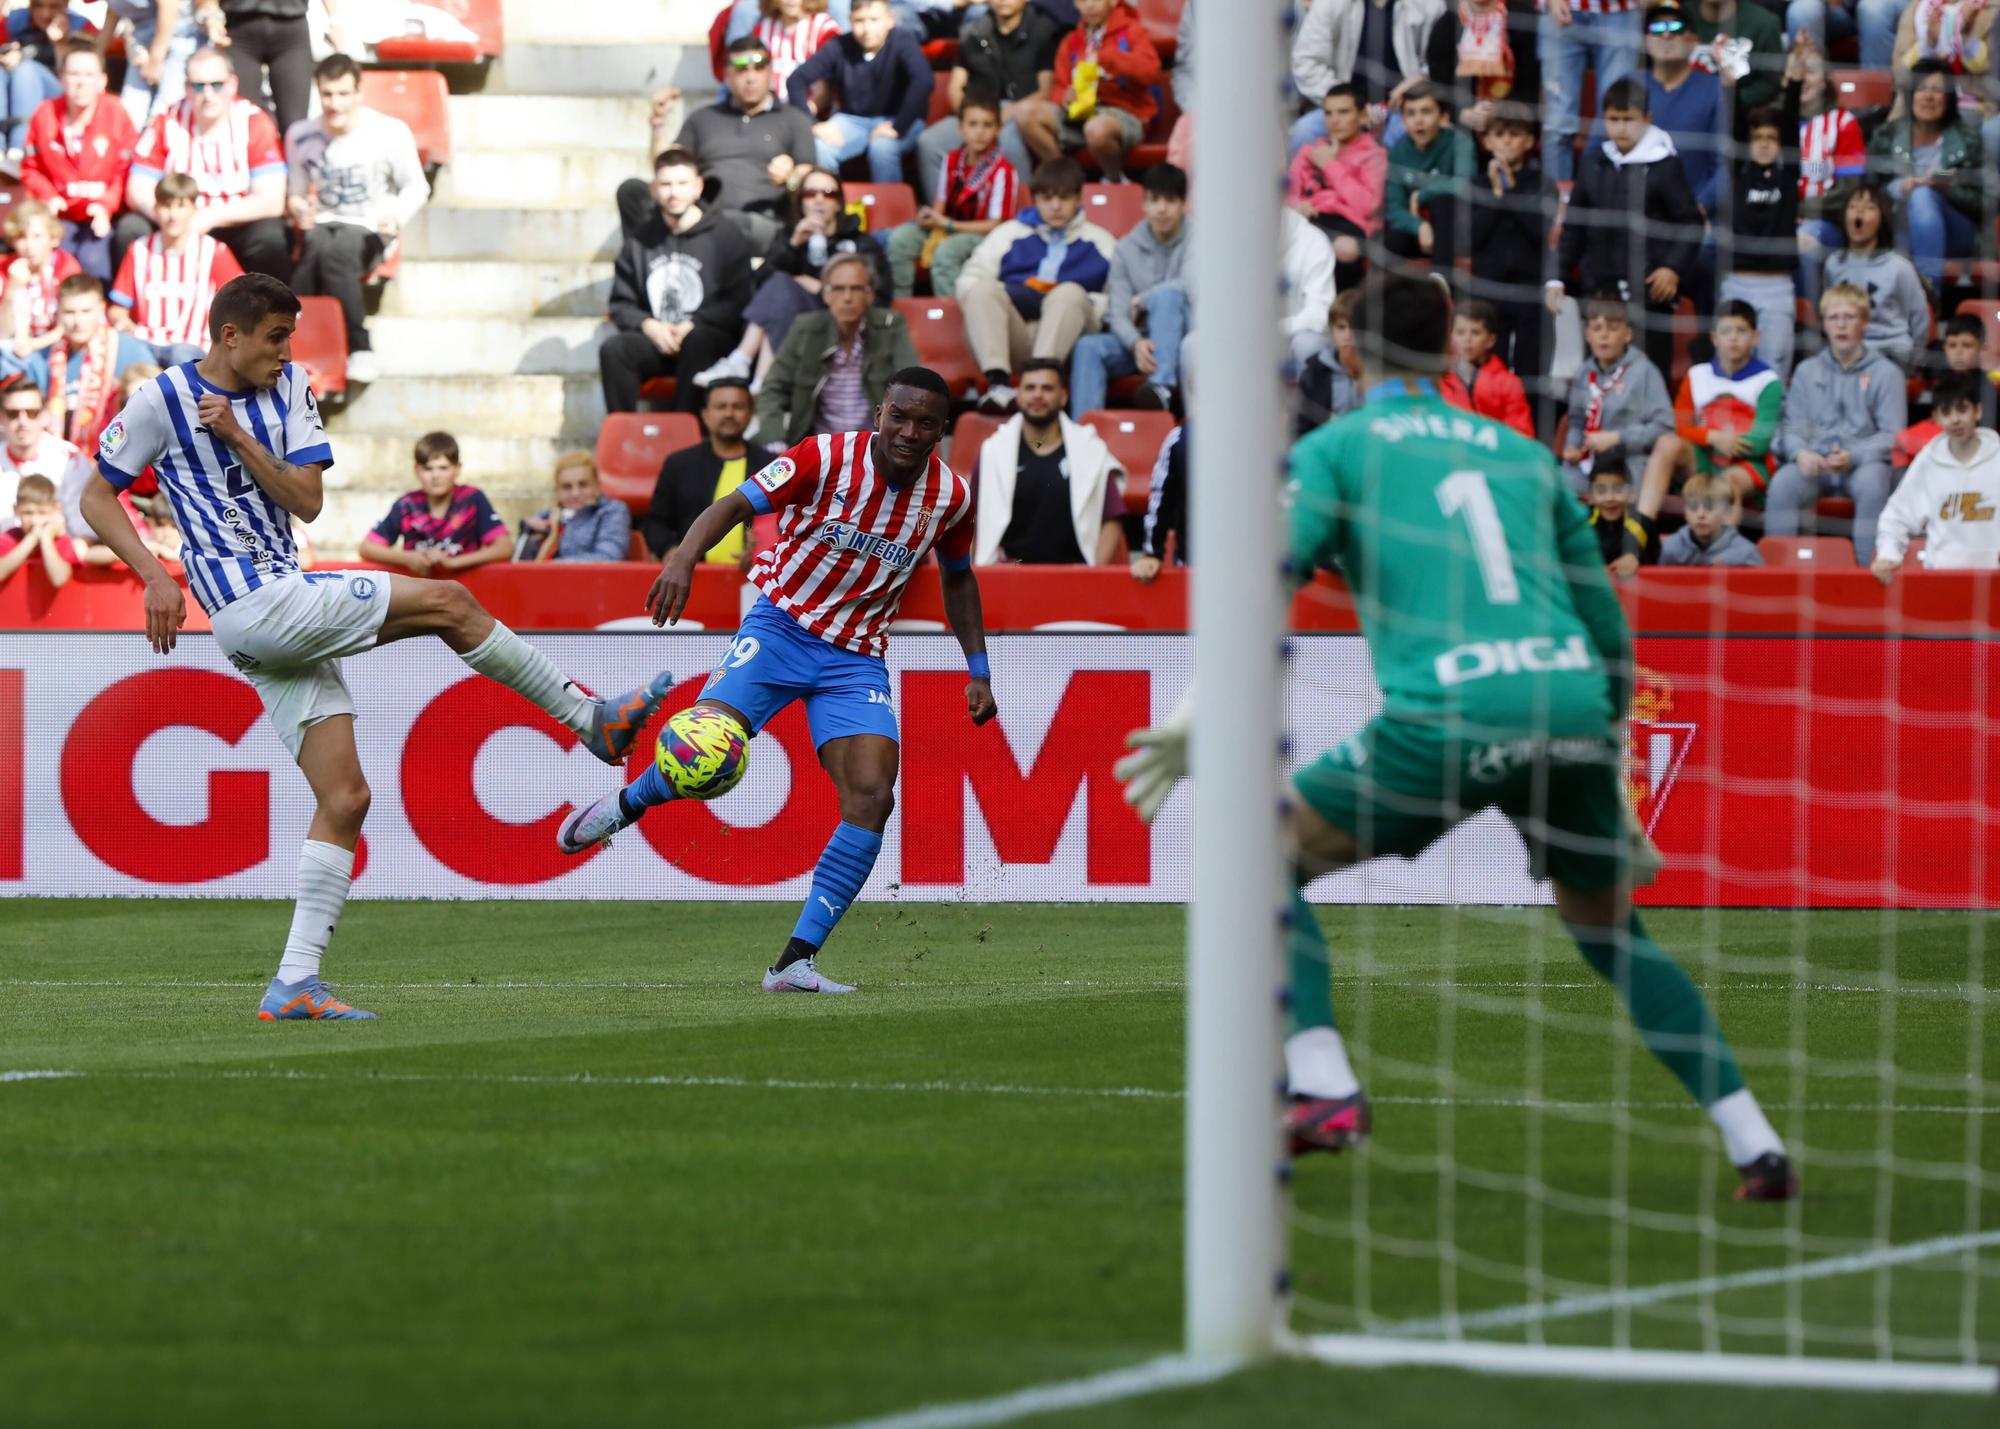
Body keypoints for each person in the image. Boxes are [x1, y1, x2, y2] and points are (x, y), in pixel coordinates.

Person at [1114, 270, 1796, 1198]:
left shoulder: (1338, 448)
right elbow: (1607, 632)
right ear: (1450, 349)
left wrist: (1197, 714)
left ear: (1350, 347)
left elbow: (1262, 583)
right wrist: (1607, 767)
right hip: (1568, 703)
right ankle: (1756, 1141)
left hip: (1451, 708)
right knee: (1612, 936)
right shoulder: (1521, 456)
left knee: (1258, 855)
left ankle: (1322, 1085)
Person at [83, 273, 673, 1021]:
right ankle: (591, 719)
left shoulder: (289, 385)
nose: (287, 350)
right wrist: (153, 576)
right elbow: (96, 494)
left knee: (346, 797)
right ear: (230, 335)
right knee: (451, 601)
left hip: (279, 599)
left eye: (291, 336)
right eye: (274, 336)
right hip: (253, 603)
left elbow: (306, 498)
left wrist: (234, 434)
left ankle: (294, 983)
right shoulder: (158, 401)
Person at [558, 367, 997, 997]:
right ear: (879, 413)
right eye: (899, 416)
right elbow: (736, 505)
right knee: (707, 753)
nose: (908, 431)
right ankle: (627, 805)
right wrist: (683, 556)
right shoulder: (823, 456)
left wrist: (976, 668)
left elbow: (957, 577)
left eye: (925, 423)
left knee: (873, 795)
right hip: (780, 628)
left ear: (941, 431)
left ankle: (795, 962)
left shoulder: (950, 497)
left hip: (854, 658)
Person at [282, 53, 427, 387]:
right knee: (318, 245)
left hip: (371, 227)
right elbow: (296, 191)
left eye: (344, 94)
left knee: (331, 251)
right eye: (328, 94)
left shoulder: (389, 131)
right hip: (323, 226)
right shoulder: (302, 135)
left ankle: (349, 344)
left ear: (359, 93)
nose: (336, 103)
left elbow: (417, 186)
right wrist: (298, 206)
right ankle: (324, 347)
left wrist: (396, 216)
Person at [1546, 76, 1703, 381]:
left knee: (1648, 377)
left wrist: (1672, 268)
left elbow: (1691, 222)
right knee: (1601, 379)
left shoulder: (1664, 165)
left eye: (1629, 119)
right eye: (1613, 119)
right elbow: (1574, 226)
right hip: (1600, 294)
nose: (1621, 127)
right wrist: (1557, 276)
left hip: (1649, 298)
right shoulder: (1594, 163)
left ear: (1647, 119)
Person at [690, 165, 892, 389]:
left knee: (782, 286)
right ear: (800, 201)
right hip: (790, 323)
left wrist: (821, 288)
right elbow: (757, 284)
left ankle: (741, 359)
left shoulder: (862, 243)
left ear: (838, 203)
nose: (818, 200)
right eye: (809, 193)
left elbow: (880, 297)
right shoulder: (790, 236)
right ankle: (761, 383)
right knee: (780, 286)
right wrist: (793, 245)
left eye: (827, 194)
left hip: (839, 326)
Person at [601, 148, 754, 416]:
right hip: (659, 341)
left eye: (682, 184)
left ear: (697, 187)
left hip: (707, 341)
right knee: (615, 350)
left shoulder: (726, 235)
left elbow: (739, 299)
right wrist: (648, 326)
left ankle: (686, 432)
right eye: (666, 184)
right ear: (654, 189)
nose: (674, 193)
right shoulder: (639, 240)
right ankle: (622, 431)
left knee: (699, 339)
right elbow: (621, 302)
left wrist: (695, 323)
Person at [956, 156, 1115, 412]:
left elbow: (1117, 300)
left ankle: (1040, 384)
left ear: (1077, 199)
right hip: (1015, 334)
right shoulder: (1009, 233)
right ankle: (998, 386)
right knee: (983, 289)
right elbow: (968, 282)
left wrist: (1051, 300)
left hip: (1070, 335)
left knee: (1068, 293)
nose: (1055, 206)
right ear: (1035, 198)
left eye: (1063, 198)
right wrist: (1010, 294)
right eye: (1047, 198)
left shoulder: (1100, 241)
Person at [1765, 282, 1906, 561]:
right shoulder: (1807, 371)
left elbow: (1894, 434)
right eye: (1833, 318)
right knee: (1783, 483)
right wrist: (1800, 453)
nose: (1841, 325)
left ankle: (1870, 571)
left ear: (1864, 323)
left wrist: (1854, 455)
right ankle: (1775, 572)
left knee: (1873, 482)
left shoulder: (1887, 373)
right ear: (1824, 324)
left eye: (1849, 317)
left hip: (1863, 465)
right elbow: (1791, 427)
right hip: (1815, 463)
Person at [126, 47, 291, 280]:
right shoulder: (167, 119)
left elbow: (272, 200)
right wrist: (171, 218)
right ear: (186, 88)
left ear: (232, 84)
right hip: (174, 222)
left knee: (271, 237)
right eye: (198, 86)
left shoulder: (254, 121)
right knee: (130, 229)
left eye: (216, 85)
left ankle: (268, 312)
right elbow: (137, 189)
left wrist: (210, 216)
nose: (208, 95)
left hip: (233, 222)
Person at [669, 35, 818, 253]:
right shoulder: (703, 118)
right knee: (633, 193)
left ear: (770, 72)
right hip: (702, 213)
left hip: (763, 222)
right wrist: (657, 125)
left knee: (724, 222)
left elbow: (808, 177)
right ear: (727, 75)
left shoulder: (794, 120)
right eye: (741, 70)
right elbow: (669, 164)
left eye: (758, 68)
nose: (751, 77)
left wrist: (790, 178)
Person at [754, 252, 919, 446]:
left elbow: (913, 387)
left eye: (856, 289)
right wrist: (774, 439)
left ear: (870, 295)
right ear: (826, 294)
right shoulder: (806, 328)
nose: (847, 298)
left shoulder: (890, 326)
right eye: (839, 289)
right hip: (819, 448)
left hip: (875, 448)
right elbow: (773, 388)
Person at [973, 360, 1126, 564]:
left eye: (1047, 388)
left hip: (1074, 574)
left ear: (1063, 396)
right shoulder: (993, 451)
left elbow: (1111, 520)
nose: (1038, 394)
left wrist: (1094, 574)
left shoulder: (1091, 449)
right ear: (1018, 396)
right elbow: (969, 517)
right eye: (1030, 388)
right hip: (1009, 577)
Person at [1068, 161, 1187, 417]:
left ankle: (1161, 386)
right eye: (1154, 200)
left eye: (1170, 201)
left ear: (1182, 204)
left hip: (1184, 338)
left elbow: (1191, 284)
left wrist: (1143, 299)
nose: (1162, 209)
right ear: (1143, 204)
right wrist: (1136, 344)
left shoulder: (1200, 237)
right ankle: (1083, 436)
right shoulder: (1125, 248)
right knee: (1089, 347)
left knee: (1168, 296)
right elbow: (1118, 312)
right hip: (1142, 342)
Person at [1716, 54, 1804, 378]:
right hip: (1737, 284)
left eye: (1771, 139)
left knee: (1774, 374)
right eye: (1758, 139)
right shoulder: (1738, 171)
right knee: (1730, 370)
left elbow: (1792, 127)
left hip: (1778, 287)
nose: (1764, 145)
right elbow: (1736, 129)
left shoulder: (1788, 175)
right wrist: (1732, 86)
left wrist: (1794, 83)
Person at [913, 0, 1056, 198]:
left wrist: (1006, 114)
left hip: (1019, 111)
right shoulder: (972, 31)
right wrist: (968, 116)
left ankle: (1018, 212)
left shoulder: (1044, 31)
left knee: (1009, 139)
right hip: (976, 110)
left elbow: (1046, 90)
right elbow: (955, 86)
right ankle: (944, 214)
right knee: (929, 142)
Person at [1866, 60, 1988, 292]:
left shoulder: (1968, 138)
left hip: (1955, 231)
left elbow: (1986, 202)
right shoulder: (1887, 134)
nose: (1928, 97)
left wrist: (1946, 187)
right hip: (1894, 224)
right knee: (1915, 196)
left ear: (1950, 97)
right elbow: (1867, 187)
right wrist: (1900, 187)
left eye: (1937, 90)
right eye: (1921, 88)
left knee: (1923, 196)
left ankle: (1928, 296)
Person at [21, 40, 136, 282]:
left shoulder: (117, 114)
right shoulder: (45, 114)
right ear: (62, 78)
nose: (81, 82)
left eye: (89, 74)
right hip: (61, 213)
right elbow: (30, 168)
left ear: (102, 81)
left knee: (94, 263)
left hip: (102, 215)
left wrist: (106, 204)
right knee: (58, 260)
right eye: (74, 74)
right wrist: (48, 197)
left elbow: (126, 171)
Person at [887, 92, 1021, 300]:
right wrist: (930, 217)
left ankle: (951, 319)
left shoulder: (1003, 170)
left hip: (982, 237)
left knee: (946, 253)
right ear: (961, 127)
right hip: (948, 226)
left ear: (999, 129)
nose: (979, 132)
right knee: (900, 240)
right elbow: (940, 202)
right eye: (973, 124)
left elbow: (994, 226)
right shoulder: (951, 159)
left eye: (987, 125)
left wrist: (947, 224)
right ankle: (901, 310)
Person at [1014, 0, 1161, 183]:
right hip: (1079, 114)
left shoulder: (1132, 30)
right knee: (1024, 114)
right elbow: (1058, 88)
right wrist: (1065, 97)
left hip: (1124, 113)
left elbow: (1151, 72)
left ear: (1113, 2)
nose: (1090, 5)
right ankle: (1068, 176)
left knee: (1096, 129)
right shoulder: (1071, 41)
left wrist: (1108, 57)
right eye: (1083, 0)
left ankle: (1113, 179)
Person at [786, 0, 930, 184]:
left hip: (899, 119)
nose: (867, 28)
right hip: (852, 121)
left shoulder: (902, 41)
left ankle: (891, 210)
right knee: (820, 146)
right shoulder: (840, 45)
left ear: (890, 19)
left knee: (882, 147)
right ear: (850, 20)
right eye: (860, 20)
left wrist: (898, 127)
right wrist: (812, 125)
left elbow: (924, 80)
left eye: (874, 19)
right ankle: (831, 206)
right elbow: (796, 80)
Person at [1463, 102, 1550, 405]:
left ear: (1529, 142)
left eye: (1514, 135)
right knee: (1488, 371)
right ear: (1486, 142)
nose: (1507, 142)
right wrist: (1496, 197)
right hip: (1488, 292)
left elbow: (1543, 234)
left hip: (1530, 292)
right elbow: (1470, 238)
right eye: (1499, 135)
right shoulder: (1475, 186)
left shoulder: (1542, 184)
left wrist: (1510, 194)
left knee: (1532, 373)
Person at [1662, 299, 1782, 519]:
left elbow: (1760, 443)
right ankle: (1644, 524)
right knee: (1666, 444)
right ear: (1714, 338)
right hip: (1704, 456)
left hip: (1747, 464)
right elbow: (1678, 427)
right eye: (1726, 331)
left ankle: (1724, 547)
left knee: (1723, 486)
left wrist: (1724, 441)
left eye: (1741, 331)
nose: (1733, 337)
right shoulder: (1696, 374)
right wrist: (1713, 437)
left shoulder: (1769, 381)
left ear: (1755, 337)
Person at [1559, 293, 1682, 506]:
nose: (1604, 336)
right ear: (1587, 334)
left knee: (1615, 495)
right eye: (1597, 329)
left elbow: (1664, 427)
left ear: (1628, 334)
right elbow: (1577, 420)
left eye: (1613, 328)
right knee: (1555, 491)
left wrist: (1617, 438)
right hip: (1587, 463)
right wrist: (1573, 446)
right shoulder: (1583, 372)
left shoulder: (1644, 371)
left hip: (1629, 463)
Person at [1874, 371, 2000, 578]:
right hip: (1940, 581)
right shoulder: (1928, 460)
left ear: (1977, 411)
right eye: (1947, 412)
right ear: (1937, 418)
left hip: (1993, 582)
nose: (1955, 420)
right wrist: (1888, 555)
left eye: (1962, 410)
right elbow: (1896, 516)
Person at [108, 169, 239, 366]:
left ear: (193, 209)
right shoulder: (139, 250)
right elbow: (118, 308)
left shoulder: (213, 252)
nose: (173, 215)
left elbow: (242, 303)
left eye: (181, 206)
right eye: (166, 206)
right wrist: (123, 323)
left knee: (180, 358)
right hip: (146, 343)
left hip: (192, 346)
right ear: (156, 208)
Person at [1289, 0, 1450, 158]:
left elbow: (1441, 63)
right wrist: (1347, 103)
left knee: (1417, 134)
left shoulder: (1430, 4)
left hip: (1402, 109)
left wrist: (1416, 83)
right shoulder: (1330, 3)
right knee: (1304, 131)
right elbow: (1306, 63)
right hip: (1344, 107)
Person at [22, 274, 152, 447]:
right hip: (55, 455)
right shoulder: (43, 357)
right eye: (69, 312)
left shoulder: (130, 350)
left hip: (114, 455)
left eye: (86, 311)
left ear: (101, 309)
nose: (78, 321)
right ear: (58, 312)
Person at [361, 431, 515, 575]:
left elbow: (504, 548)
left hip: (464, 591)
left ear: (457, 469)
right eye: (428, 469)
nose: (435, 476)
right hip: (419, 593)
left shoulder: (472, 499)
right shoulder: (406, 504)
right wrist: (407, 558)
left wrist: (453, 563)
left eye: (443, 468)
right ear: (417, 470)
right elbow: (367, 548)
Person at [645, 375, 763, 562]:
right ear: (705, 415)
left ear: (750, 414)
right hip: (693, 579)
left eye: (737, 407)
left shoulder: (771, 467)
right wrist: (669, 549)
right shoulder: (679, 464)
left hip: (756, 580)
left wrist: (764, 550)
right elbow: (655, 522)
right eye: (720, 407)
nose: (729, 414)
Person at [1284, 83, 1386, 292]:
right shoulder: (1310, 150)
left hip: (1350, 225)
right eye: (1328, 113)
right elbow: (1286, 192)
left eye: (1344, 112)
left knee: (1344, 248)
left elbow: (1366, 207)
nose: (1335, 120)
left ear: (1362, 116)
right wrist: (1297, 205)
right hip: (1309, 219)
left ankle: (1341, 315)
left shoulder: (1374, 154)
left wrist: (1330, 165)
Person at [1822, 183, 1929, 373]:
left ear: (1883, 218)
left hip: (1890, 353)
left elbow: (1919, 319)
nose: (1859, 213)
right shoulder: (1833, 264)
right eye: (1853, 207)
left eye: (1869, 208)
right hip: (1846, 351)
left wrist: (1914, 364)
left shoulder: (1899, 267)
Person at [1538, 0, 1644, 184]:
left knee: (1617, 115)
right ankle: (1555, 203)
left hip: (1620, 10)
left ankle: (1604, 200)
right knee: (1557, 123)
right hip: (1560, 9)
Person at [1795, 40, 1865, 302]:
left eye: (1810, 71)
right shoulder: (1772, 121)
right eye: (1797, 70)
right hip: (1774, 219)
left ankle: (1809, 323)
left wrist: (1800, 210)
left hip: (1825, 222)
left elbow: (1850, 189)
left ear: (1825, 79)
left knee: (1803, 244)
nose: (1803, 78)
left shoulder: (1843, 123)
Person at [1642, 2, 1723, 217]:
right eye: (1656, 28)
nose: (1666, 34)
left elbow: (1726, 167)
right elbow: (1597, 153)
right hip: (1635, 216)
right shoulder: (1628, 85)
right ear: (1646, 40)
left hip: (1694, 215)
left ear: (1692, 41)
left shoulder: (1715, 90)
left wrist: (1700, 208)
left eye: (1676, 28)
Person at [1382, 81, 1476, 262]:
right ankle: (1389, 288)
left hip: (1456, 231)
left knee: (1442, 202)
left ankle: (1442, 282)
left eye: (1426, 112)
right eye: (1411, 113)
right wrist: (1420, 227)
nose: (1418, 120)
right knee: (1393, 237)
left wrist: (1423, 194)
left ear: (1444, 118)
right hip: (1417, 230)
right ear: (1403, 120)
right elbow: (1394, 209)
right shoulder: (1396, 154)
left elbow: (1466, 184)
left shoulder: (1460, 142)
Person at [0, 1, 90, 170]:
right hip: (12, 94)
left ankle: (19, 149)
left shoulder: (80, 26)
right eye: (39, 6)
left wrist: (61, 43)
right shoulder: (13, 21)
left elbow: (76, 78)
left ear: (65, 6)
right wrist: (6, 56)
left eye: (53, 7)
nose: (45, 13)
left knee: (25, 69)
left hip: (56, 95)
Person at [0, 200, 80, 378]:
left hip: (57, 345)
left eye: (37, 236)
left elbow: (69, 324)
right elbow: (2, 333)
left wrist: (33, 345)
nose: (29, 245)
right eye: (22, 237)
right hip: (14, 348)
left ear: (53, 238)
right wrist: (12, 289)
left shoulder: (66, 267)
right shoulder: (5, 268)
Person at [215, 0, 317, 136]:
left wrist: (336, 19)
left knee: (295, 128)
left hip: (291, 29)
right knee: (243, 123)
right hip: (239, 29)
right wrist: (209, 14)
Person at [102, 0, 208, 127]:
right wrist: (97, 52)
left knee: (168, 114)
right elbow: (114, 10)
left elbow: (170, 4)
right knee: (131, 113)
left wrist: (155, 59)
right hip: (144, 41)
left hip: (180, 39)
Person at [1440, 297, 1534, 437]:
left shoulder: (1509, 383)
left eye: (1476, 332)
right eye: (1460, 332)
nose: (1467, 339)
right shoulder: (1438, 380)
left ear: (1491, 340)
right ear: (1451, 337)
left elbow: (1522, 435)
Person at [517, 452, 633, 563]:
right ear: (557, 491)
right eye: (567, 487)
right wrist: (528, 531)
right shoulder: (549, 516)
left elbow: (609, 558)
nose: (575, 493)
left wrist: (548, 566)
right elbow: (520, 561)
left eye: (583, 485)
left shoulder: (613, 511)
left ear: (597, 486)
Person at [0, 372, 87, 518]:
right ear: (1, 418)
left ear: (45, 416)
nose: (22, 421)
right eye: (13, 413)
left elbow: (85, 533)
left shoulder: (69, 459)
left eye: (31, 412)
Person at [1688, 0, 1784, 111]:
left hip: (1740, 115)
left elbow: (1768, 86)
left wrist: (1720, 101)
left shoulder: (1765, 23)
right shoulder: (1679, 16)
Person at [1659, 470, 1766, 565]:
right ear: (1685, 513)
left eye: (1709, 507)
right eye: (1693, 507)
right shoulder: (1670, 549)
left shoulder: (1745, 554)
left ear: (1726, 512)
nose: (1700, 514)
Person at [1296, 290, 1363, 436]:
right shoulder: (1314, 374)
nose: (1348, 335)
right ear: (1331, 331)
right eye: (1341, 327)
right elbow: (1302, 428)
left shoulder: (1380, 372)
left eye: (1354, 327)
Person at [0, 470, 76, 586]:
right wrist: (31, 539)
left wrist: (46, 538)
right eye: (28, 513)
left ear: (56, 510)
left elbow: (59, 579)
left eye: (42, 513)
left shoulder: (60, 541)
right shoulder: (8, 538)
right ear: (16, 510)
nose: (35, 521)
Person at [1588, 458, 1661, 577]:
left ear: (1631, 493)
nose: (1610, 497)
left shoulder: (1644, 524)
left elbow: (1655, 561)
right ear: (1590, 495)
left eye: (1618, 489)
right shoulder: (1580, 523)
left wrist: (1635, 557)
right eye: (1601, 490)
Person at [1131, 419, 1182, 581]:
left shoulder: (1254, 439)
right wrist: (1153, 552)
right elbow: (1161, 498)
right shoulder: (1179, 440)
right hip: (1190, 569)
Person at [753, 0, 841, 95]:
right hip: (773, 105)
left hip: (809, 105)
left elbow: (828, 78)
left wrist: (811, 107)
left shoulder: (824, 28)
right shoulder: (763, 28)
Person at [1786, 0, 1901, 69]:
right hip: (1833, 11)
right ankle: (1807, 99)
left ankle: (1877, 101)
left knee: (1874, 10)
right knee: (1802, 11)